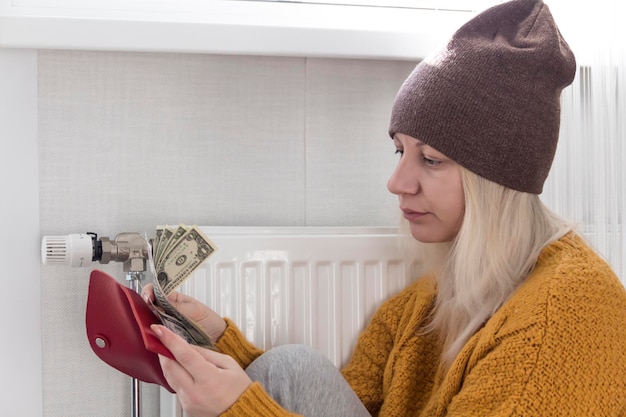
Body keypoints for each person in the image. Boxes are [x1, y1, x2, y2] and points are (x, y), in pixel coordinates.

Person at [144, 0, 626, 415]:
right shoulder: (426, 304)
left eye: (431, 159)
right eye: (401, 151)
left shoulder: (565, 315)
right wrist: (220, 343)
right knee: (293, 365)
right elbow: (325, 399)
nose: (397, 183)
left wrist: (240, 408)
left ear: (496, 179)